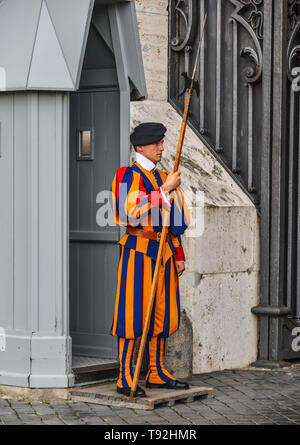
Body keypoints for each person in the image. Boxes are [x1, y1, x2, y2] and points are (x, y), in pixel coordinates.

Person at [110, 122, 190, 397]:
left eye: (162, 142)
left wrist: (178, 254)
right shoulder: (127, 175)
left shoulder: (164, 176)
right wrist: (164, 191)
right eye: (156, 143)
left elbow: (174, 221)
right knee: (132, 313)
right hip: (139, 250)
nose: (161, 148)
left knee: (163, 313)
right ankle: (125, 375)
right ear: (140, 146)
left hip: (164, 253)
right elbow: (127, 213)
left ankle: (156, 372)